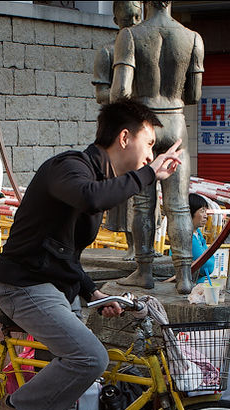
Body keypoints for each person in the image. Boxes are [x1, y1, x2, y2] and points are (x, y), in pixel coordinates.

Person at [0, 100, 183, 410]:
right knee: (89, 357)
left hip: (56, 287)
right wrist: (150, 174)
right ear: (125, 137)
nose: (150, 155)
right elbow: (89, 197)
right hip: (23, 285)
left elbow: (66, 251)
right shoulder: (70, 168)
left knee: (63, 394)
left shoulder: (101, 178)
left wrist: (92, 291)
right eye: (148, 144)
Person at [112, 0, 204, 294]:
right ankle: (184, 275)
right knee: (177, 205)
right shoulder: (192, 38)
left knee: (142, 203)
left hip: (144, 122)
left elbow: (120, 91)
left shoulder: (130, 36)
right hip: (176, 121)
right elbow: (194, 94)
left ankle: (144, 270)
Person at [92, 0, 143, 258]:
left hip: (143, 131)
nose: (133, 21)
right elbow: (102, 93)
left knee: (146, 194)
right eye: (127, 16)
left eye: (137, 15)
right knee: (123, 191)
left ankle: (144, 247)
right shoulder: (108, 52)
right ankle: (132, 246)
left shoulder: (145, 45)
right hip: (121, 130)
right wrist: (121, 94)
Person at [189, 193, 214, 283]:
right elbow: (208, 266)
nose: (205, 216)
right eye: (202, 211)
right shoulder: (189, 237)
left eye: (205, 211)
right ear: (191, 212)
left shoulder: (197, 233)